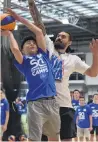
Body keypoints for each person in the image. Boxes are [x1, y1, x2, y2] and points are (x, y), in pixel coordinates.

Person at [27, 0, 98, 141]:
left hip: (64, 105)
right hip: (45, 104)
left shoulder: (73, 59)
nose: (59, 37)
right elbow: (39, 25)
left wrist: (96, 56)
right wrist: (31, 5)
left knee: (67, 139)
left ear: (69, 42)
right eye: (58, 36)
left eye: (63, 36)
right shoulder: (48, 48)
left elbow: (92, 73)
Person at [1, 8, 61, 141]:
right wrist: (10, 34)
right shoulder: (24, 62)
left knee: (54, 137)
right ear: (23, 50)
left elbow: (38, 32)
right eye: (28, 43)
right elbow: (15, 49)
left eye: (33, 42)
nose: (32, 43)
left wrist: (19, 18)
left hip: (52, 101)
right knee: (35, 138)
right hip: (35, 103)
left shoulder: (44, 54)